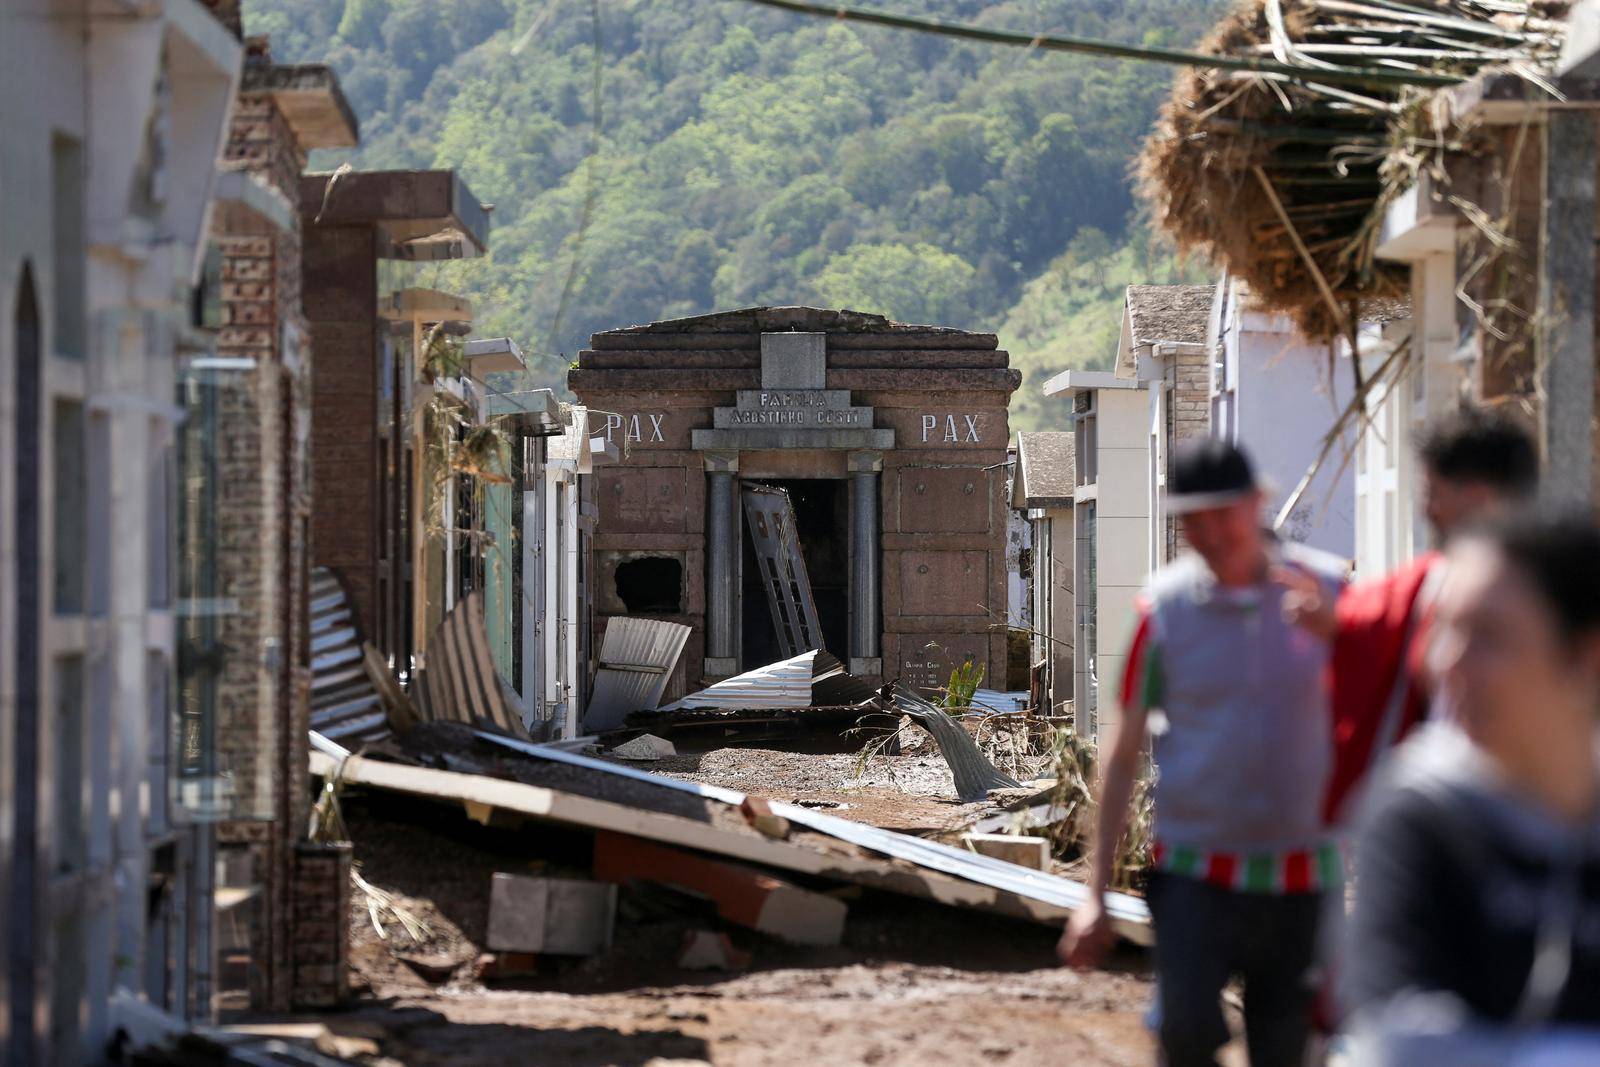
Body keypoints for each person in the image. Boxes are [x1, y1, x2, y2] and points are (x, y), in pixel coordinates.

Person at [1059, 439, 1346, 1067]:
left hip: (1301, 875)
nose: (1209, 533)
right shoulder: (1164, 612)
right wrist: (1094, 892)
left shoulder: (1331, 594)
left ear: (1258, 502)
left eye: (1223, 513)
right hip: (1194, 870)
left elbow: (1382, 717)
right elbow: (1123, 750)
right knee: (1184, 1033)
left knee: (1290, 1048)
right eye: (1192, 519)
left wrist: (1343, 638)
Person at [1343, 511, 1600, 1064]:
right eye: (1444, 628)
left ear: (1586, 655)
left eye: (1488, 635)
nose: (1447, 662)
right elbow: (1399, 1041)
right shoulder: (1421, 815)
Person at [1278, 407, 1538, 823]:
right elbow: (1369, 618)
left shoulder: (1473, 584)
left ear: (1475, 496)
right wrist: (1338, 624)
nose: (1427, 509)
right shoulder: (1436, 581)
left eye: (1433, 492)